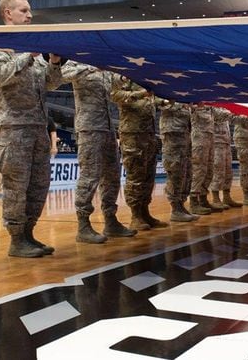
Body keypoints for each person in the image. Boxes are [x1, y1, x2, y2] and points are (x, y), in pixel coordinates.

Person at [0, 0, 62, 258]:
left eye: (29, 11)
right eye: (24, 11)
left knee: (38, 185)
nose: (29, 16)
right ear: (8, 13)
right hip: (13, 127)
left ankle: (29, 233)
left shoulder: (35, 49)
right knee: (16, 187)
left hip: (38, 127)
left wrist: (52, 63)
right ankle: (16, 239)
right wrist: (26, 54)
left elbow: (49, 84)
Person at [60, 61, 137, 242]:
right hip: (89, 128)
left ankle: (111, 220)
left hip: (107, 128)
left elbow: (117, 82)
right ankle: (83, 225)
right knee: (89, 175)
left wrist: (127, 72)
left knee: (112, 176)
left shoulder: (105, 69)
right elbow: (63, 74)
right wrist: (91, 66)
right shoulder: (75, 63)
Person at [111, 77, 167, 230]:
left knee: (148, 175)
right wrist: (139, 94)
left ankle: (144, 211)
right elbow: (115, 95)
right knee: (135, 175)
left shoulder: (147, 77)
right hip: (132, 133)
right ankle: (135, 215)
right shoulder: (124, 75)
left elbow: (149, 101)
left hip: (148, 133)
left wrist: (162, 102)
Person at [158, 99, 198, 222]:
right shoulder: (166, 89)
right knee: (175, 172)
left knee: (186, 173)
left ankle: (181, 205)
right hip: (172, 132)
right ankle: (175, 208)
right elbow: (159, 102)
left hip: (184, 132)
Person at [210, 107, 241, 209]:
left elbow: (234, 119)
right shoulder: (213, 105)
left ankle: (227, 196)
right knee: (218, 170)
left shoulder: (224, 106)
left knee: (228, 171)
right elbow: (219, 114)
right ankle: (216, 198)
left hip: (226, 141)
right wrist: (239, 110)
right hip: (216, 141)